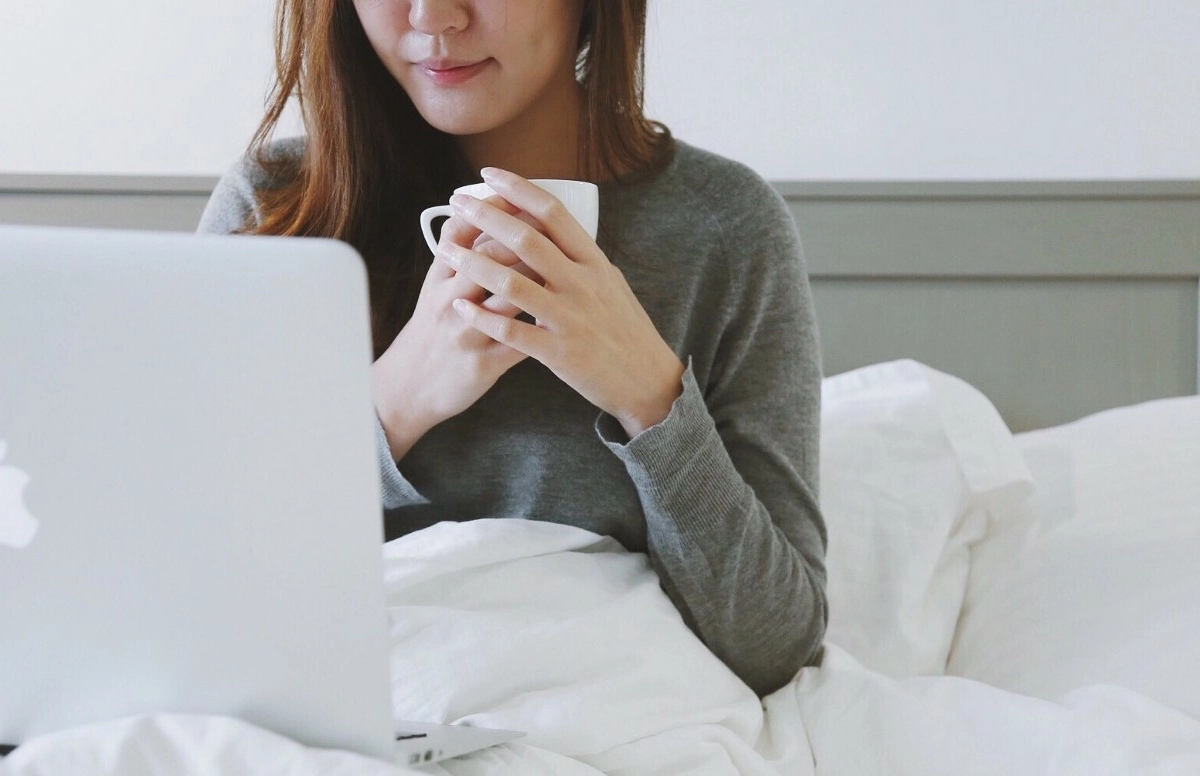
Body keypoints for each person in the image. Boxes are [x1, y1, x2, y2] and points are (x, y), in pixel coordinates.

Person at [197, 0, 827, 697]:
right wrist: (397, 399)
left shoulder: (726, 227)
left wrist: (649, 394)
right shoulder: (277, 212)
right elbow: (197, 578)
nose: (433, 15)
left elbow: (779, 645)